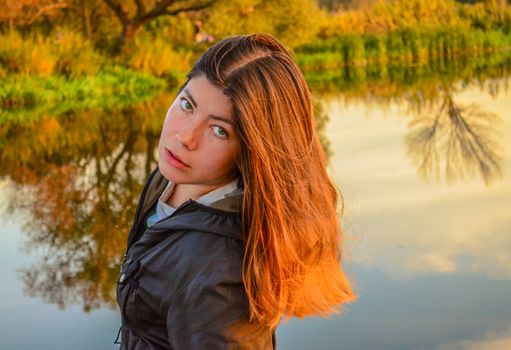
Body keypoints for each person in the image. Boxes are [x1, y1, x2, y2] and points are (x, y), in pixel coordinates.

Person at [115, 33, 355, 349]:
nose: (186, 136)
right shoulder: (173, 177)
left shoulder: (220, 278)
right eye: (187, 104)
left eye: (219, 130)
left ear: (250, 151)